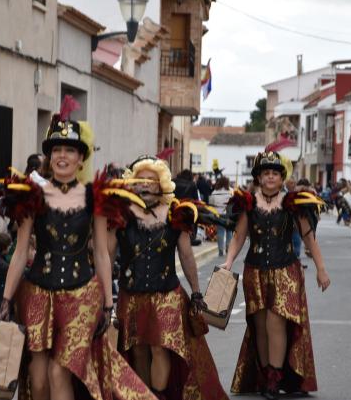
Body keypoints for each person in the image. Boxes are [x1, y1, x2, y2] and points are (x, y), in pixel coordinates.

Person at [0, 98, 155, 400]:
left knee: (59, 372)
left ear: (81, 158)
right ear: (49, 157)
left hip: (82, 296)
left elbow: (102, 254)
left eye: (69, 150)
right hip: (37, 293)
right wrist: (5, 299)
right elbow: (18, 252)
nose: (62, 156)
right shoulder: (32, 195)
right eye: (57, 150)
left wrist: (108, 303)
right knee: (38, 378)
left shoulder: (95, 196)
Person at [103, 156, 228, 400]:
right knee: (136, 350)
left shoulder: (175, 213)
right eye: (141, 180)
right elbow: (106, 256)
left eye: (152, 180)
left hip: (167, 294)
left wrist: (196, 291)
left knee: (160, 347)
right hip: (131, 293)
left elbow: (186, 255)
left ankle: (159, 396)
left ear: (161, 184)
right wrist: (105, 296)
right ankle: (143, 396)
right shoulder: (120, 215)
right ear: (133, 184)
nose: (146, 185)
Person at [223, 151, 331, 400]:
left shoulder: (294, 202)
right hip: (256, 270)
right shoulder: (249, 203)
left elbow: (308, 237)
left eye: (275, 173)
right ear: (259, 177)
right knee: (259, 324)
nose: (270, 177)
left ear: (282, 178)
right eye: (266, 173)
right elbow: (239, 236)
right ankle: (263, 375)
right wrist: (228, 262)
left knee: (276, 321)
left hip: (286, 271)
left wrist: (321, 268)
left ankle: (274, 377)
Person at [210, 176, 233, 256]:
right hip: (228, 214)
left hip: (218, 214)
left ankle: (220, 250)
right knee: (229, 231)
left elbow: (211, 204)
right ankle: (228, 248)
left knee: (220, 231)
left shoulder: (214, 192)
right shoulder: (230, 191)